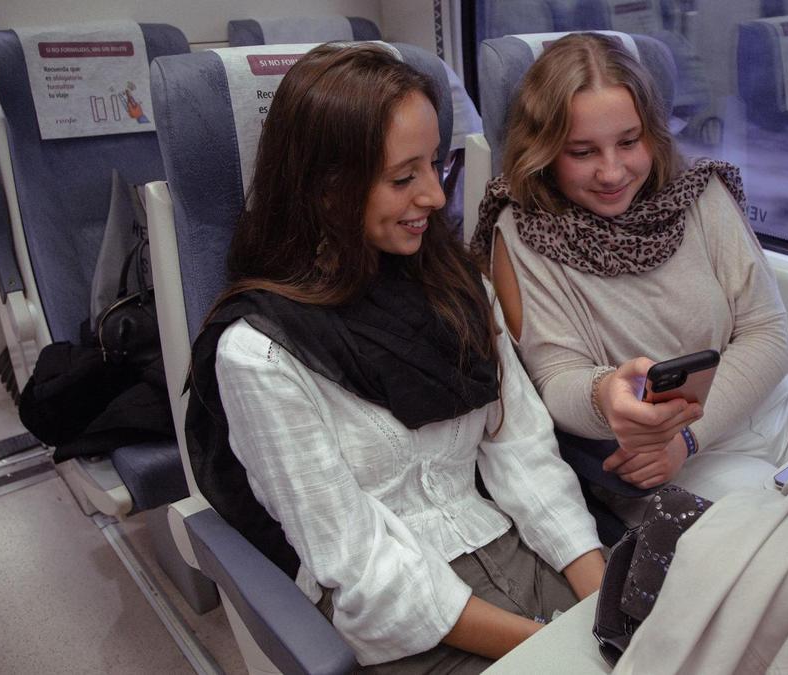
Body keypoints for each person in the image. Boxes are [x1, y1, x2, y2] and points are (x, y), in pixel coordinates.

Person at [184, 43, 604, 673]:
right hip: (409, 621)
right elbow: (359, 568)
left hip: (519, 547)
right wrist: (549, 648)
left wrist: (607, 606)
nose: (435, 196)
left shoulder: (456, 283)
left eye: (436, 166)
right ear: (329, 191)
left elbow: (523, 454)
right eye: (404, 177)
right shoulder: (261, 355)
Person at [471, 33, 788, 524]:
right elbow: (556, 378)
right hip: (656, 451)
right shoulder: (522, 231)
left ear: (652, 135)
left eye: (629, 142)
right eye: (583, 151)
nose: (612, 172)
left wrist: (690, 434)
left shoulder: (700, 192)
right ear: (546, 150)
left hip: (773, 405)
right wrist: (604, 394)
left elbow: (767, 333)